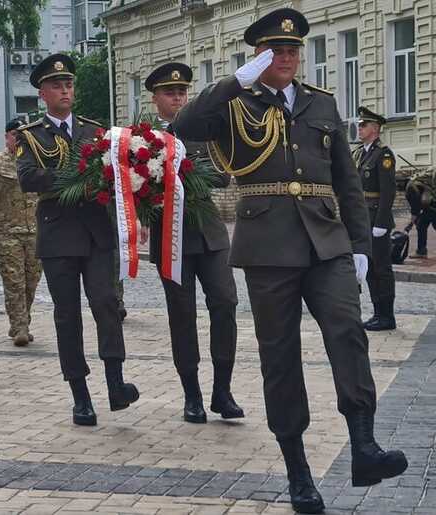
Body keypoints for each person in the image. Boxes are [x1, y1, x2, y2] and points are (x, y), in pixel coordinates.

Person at [174, 9, 407, 514]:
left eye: (292, 50)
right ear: (258, 56)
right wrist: (234, 81)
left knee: (348, 331)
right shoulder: (235, 101)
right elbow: (183, 126)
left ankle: (364, 445)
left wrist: (361, 246)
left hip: (327, 241)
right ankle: (299, 472)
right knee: (280, 359)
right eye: (275, 51)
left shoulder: (320, 102)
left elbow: (346, 178)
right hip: (268, 247)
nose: (286, 58)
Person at [16, 53, 139, 426]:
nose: (65, 90)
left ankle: (116, 384)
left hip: (97, 233)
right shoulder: (31, 136)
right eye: (57, 85)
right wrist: (76, 178)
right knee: (67, 316)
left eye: (68, 84)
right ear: (43, 94)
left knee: (107, 304)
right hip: (58, 236)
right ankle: (81, 396)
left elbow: (115, 171)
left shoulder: (94, 131)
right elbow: (28, 178)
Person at [145, 62, 243, 423]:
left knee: (226, 302)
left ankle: (223, 390)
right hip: (171, 238)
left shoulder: (204, 132)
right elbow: (134, 188)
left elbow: (221, 176)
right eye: (170, 93)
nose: (178, 98)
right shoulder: (143, 141)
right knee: (182, 316)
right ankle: (192, 394)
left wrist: (185, 171)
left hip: (211, 234)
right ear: (155, 98)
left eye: (183, 92)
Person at [0, 120, 42, 347]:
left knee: (31, 281)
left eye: (24, 135)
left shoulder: (36, 161)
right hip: (8, 232)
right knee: (14, 282)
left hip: (35, 232)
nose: (19, 138)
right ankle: (20, 326)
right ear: (6, 137)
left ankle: (23, 321)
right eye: (15, 134)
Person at [353, 107, 396, 330]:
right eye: (359, 125)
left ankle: (387, 316)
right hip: (363, 218)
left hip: (376, 219)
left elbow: (388, 192)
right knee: (368, 266)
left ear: (375, 129)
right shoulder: (361, 153)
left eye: (363, 125)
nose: (359, 128)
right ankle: (378, 313)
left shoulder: (383, 154)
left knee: (382, 268)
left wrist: (381, 223)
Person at [406, 171, 436, 258]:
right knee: (421, 225)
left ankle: (421, 251)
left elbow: (415, 209)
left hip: (432, 205)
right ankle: (421, 251)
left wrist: (410, 224)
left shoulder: (411, 189)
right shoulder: (414, 184)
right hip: (429, 205)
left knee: (422, 224)